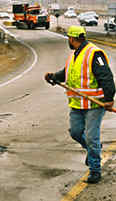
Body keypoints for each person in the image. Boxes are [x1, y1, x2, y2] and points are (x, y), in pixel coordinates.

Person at [44, 25, 115, 184]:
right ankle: (93, 150)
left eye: (68, 38)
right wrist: (54, 76)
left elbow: (106, 77)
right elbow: (67, 73)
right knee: (75, 133)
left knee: (91, 137)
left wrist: (109, 98)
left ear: (72, 38)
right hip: (77, 104)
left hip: (94, 106)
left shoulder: (94, 53)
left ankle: (95, 170)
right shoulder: (75, 54)